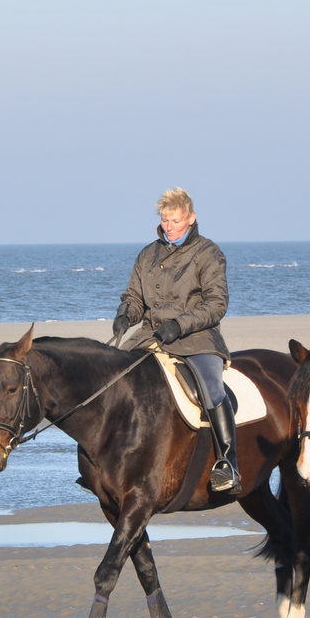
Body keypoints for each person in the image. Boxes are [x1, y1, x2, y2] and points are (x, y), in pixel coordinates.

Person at [111, 187, 239, 493]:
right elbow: (135, 297)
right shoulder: (147, 254)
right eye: (165, 221)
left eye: (176, 221)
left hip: (197, 338)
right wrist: (125, 315)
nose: (169, 227)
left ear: (192, 218)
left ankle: (228, 463)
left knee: (210, 389)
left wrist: (179, 325)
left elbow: (217, 304)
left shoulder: (209, 253)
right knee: (112, 375)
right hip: (151, 336)